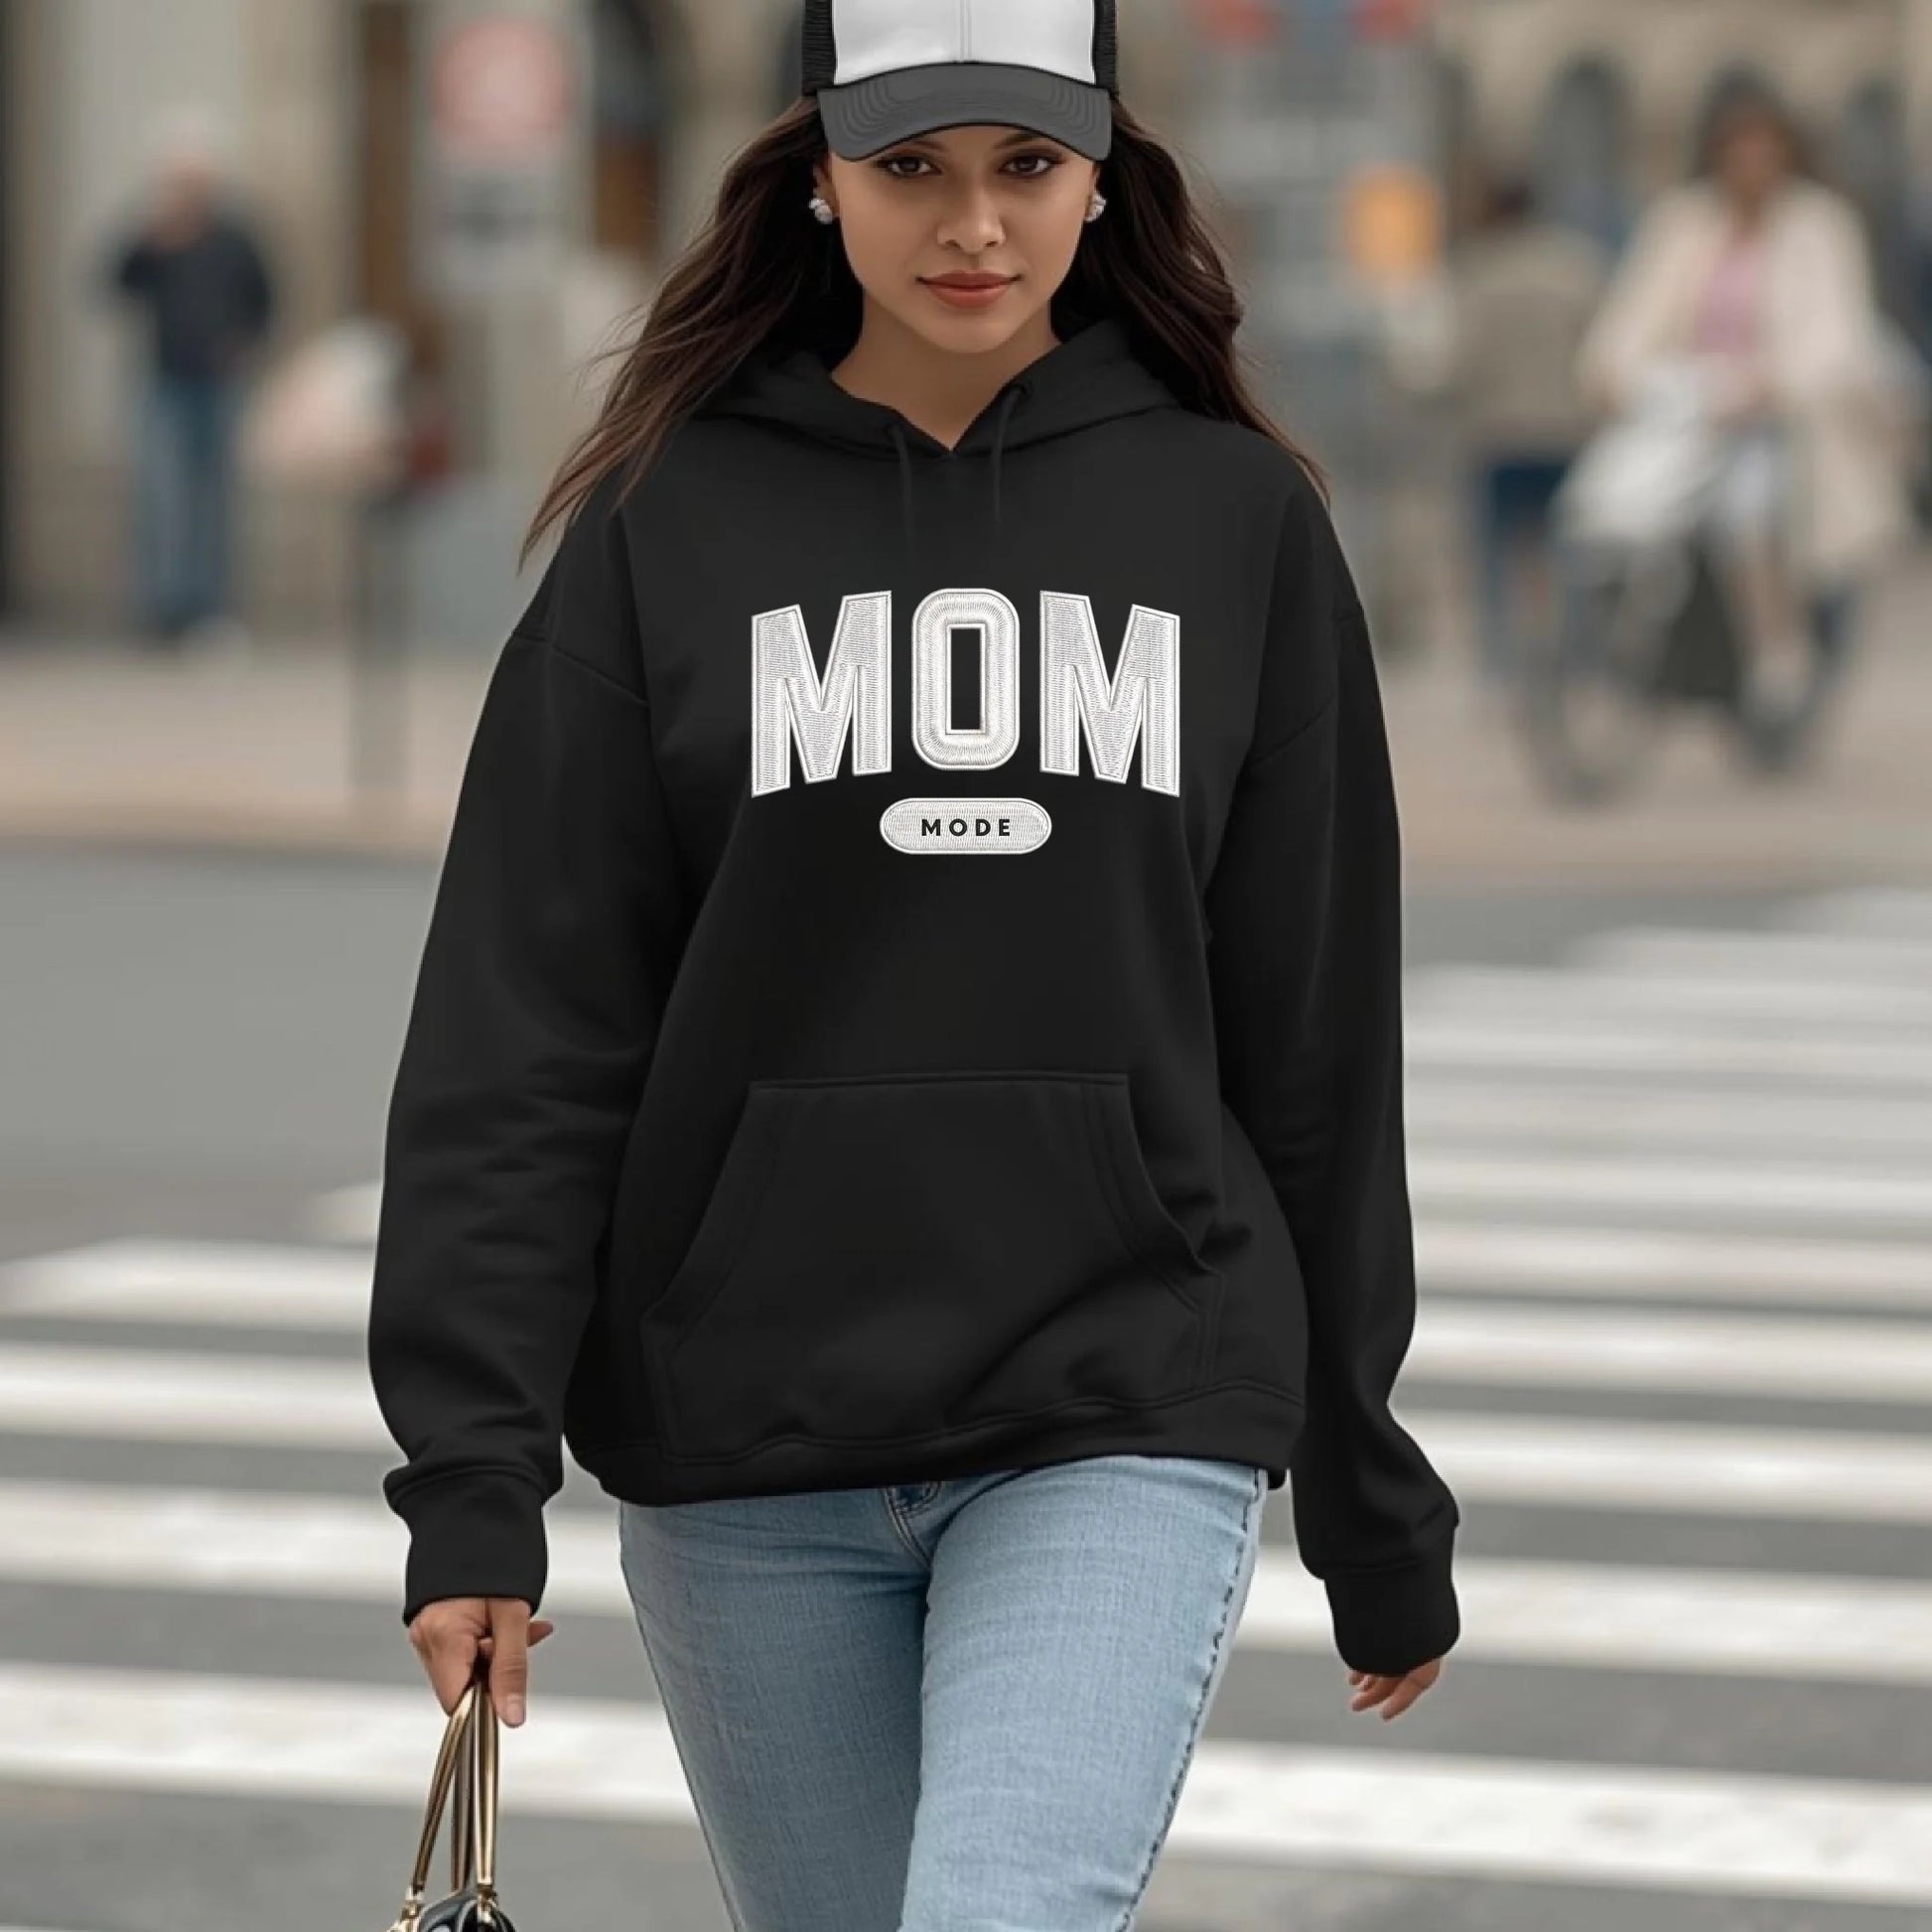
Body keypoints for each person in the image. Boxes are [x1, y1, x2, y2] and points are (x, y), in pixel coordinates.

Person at [366, 3, 1461, 1923]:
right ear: (817, 178)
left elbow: (1313, 1040)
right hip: (749, 1447)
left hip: (1120, 1403)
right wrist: (474, 1480)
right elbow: (526, 1033)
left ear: (1099, 174)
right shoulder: (664, 526)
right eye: (912, 171)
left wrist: (1365, 1479)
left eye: (1025, 167)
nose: (975, 226)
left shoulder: (1233, 523)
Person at [1578, 83, 1912, 763]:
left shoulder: (1820, 226)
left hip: (1779, 415)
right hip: (1690, 403)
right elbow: (1636, 310)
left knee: (1745, 512)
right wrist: (1610, 369)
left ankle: (1776, 648)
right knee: (1615, 502)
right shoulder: (1685, 221)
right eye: (1739, 153)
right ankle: (1623, 646)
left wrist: (1774, 384)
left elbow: (1837, 335)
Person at [98, 109, 276, 649]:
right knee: (162, 500)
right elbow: (114, 283)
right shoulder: (155, 234)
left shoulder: (235, 236)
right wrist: (152, 236)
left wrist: (243, 345)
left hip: (219, 385)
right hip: (166, 382)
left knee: (213, 502)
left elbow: (265, 300)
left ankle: (208, 609)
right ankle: (162, 610)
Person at [1443, 177, 1609, 690]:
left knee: (1498, 555)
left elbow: (1454, 361)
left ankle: (1502, 664)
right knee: (1573, 554)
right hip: (1569, 433)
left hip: (1501, 435)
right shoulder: (1578, 267)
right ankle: (1578, 657)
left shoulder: (1478, 273)